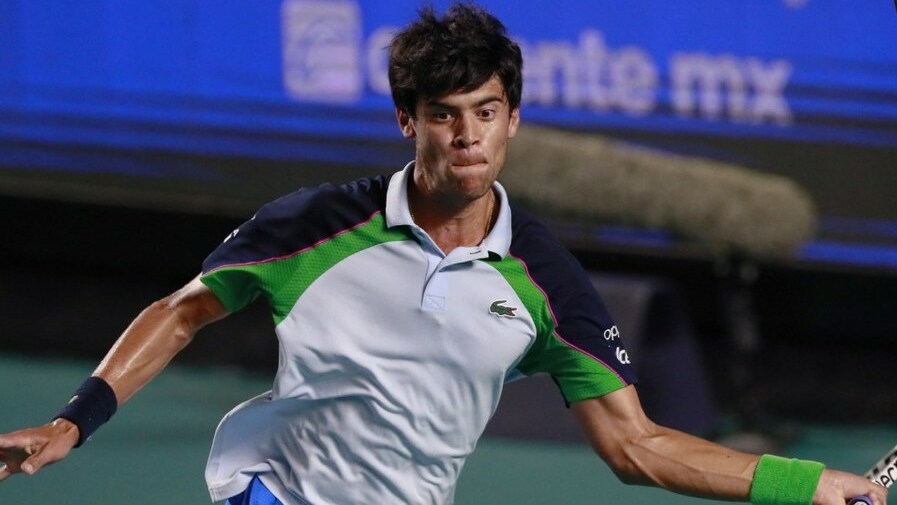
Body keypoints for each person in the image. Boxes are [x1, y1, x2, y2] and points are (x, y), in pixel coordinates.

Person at [0, 4, 887, 505]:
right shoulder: (313, 224)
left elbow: (637, 446)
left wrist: (807, 485)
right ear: (407, 121)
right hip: (269, 488)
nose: (466, 137)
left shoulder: (545, 279)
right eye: (443, 114)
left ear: (513, 120)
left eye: (486, 112)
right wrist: (76, 418)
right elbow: (183, 309)